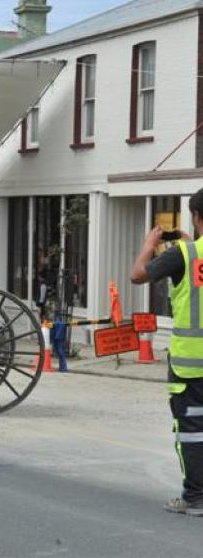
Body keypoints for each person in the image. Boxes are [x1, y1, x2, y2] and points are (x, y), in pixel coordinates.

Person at [130, 187, 203, 516]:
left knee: (192, 431)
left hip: (192, 364)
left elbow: (137, 275)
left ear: (196, 217)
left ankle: (195, 497)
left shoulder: (184, 255)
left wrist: (148, 246)